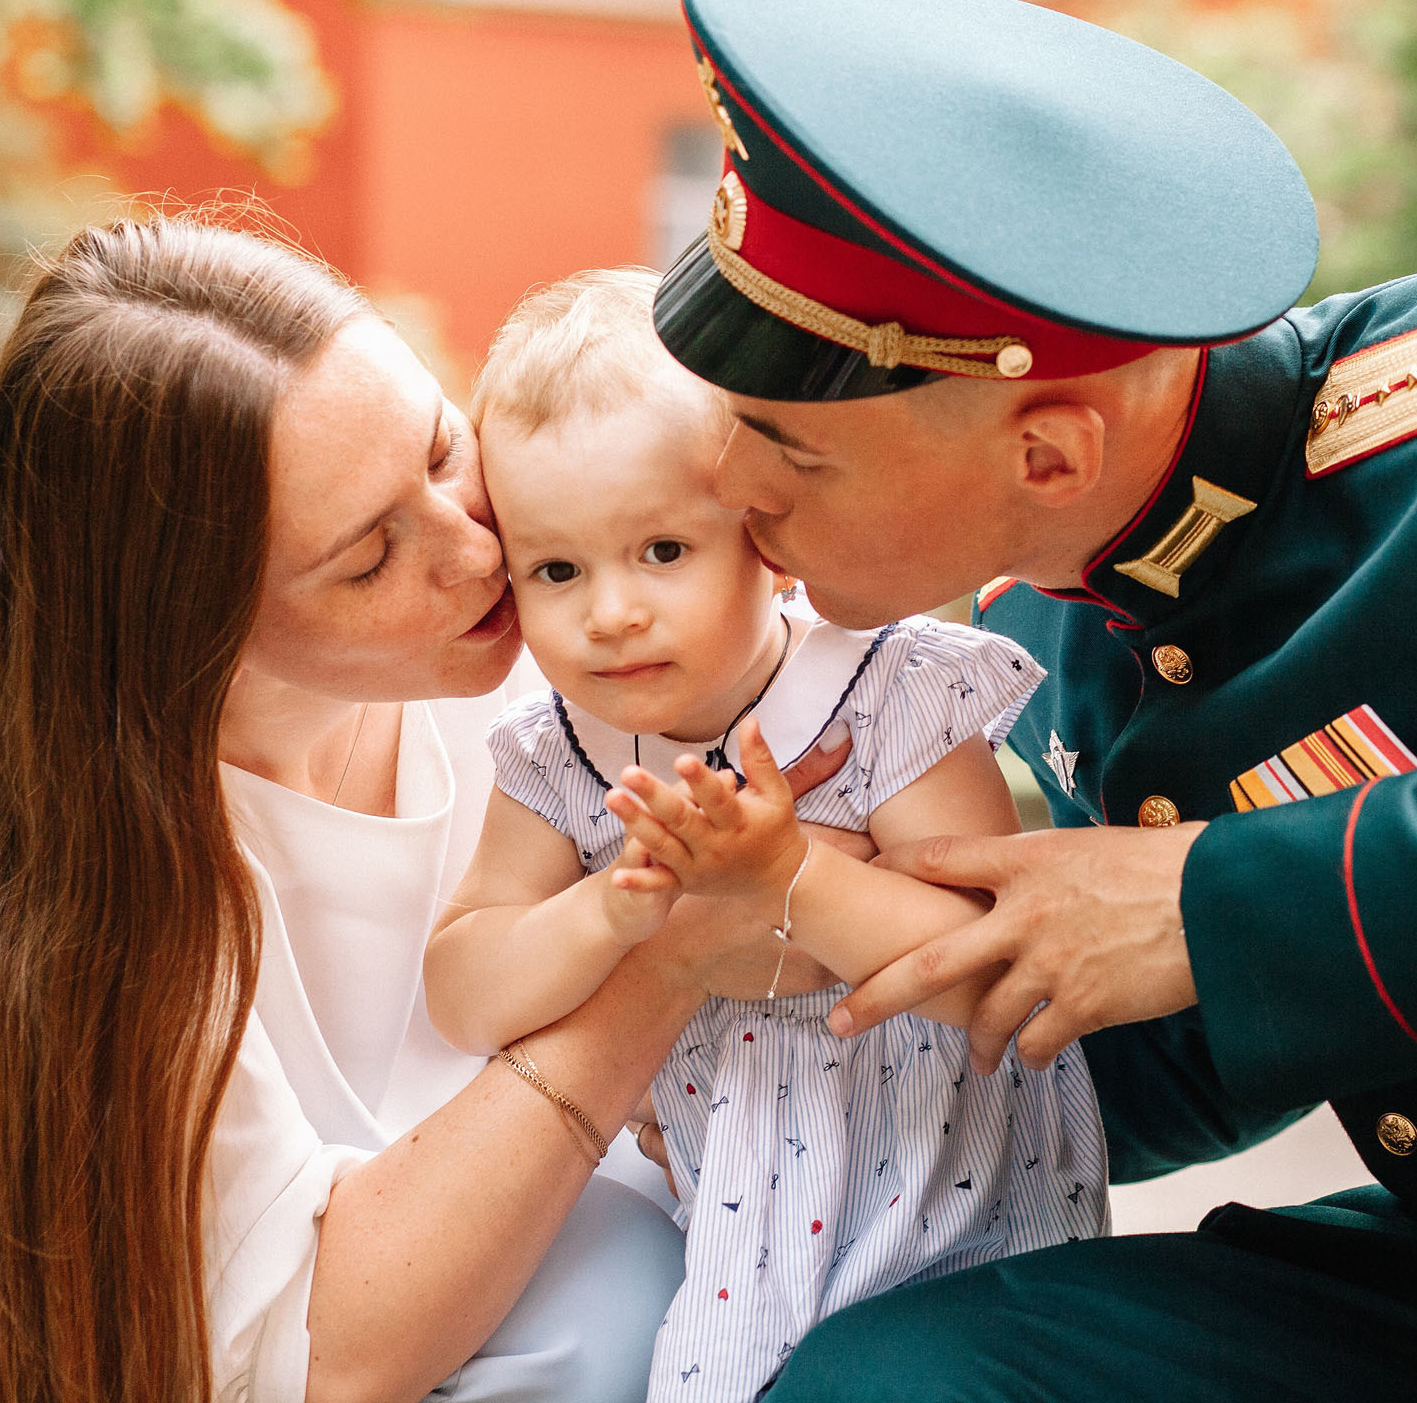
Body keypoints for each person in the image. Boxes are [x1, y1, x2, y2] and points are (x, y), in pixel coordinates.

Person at [648, 0, 1417, 1401]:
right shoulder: (1044, 634)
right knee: (898, 1385)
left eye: (790, 451)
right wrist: (800, 976)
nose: (727, 487)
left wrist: (1207, 900)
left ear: (1051, 454)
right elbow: (1186, 1060)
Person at [0, 218, 812, 1403]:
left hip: (371, 1220)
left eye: (438, 448)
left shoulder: (574, 630)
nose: (479, 551)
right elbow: (331, 1351)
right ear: (199, 633)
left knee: (631, 1279)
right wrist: (668, 962)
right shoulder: (68, 856)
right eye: (368, 558)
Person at [420, 270, 1107, 1403]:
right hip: (731, 1219)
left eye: (662, 550)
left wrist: (786, 877)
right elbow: (464, 994)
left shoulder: (886, 695)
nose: (611, 613)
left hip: (947, 1196)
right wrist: (612, 911)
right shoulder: (561, 754)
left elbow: (994, 971)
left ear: (764, 538)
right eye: (557, 569)